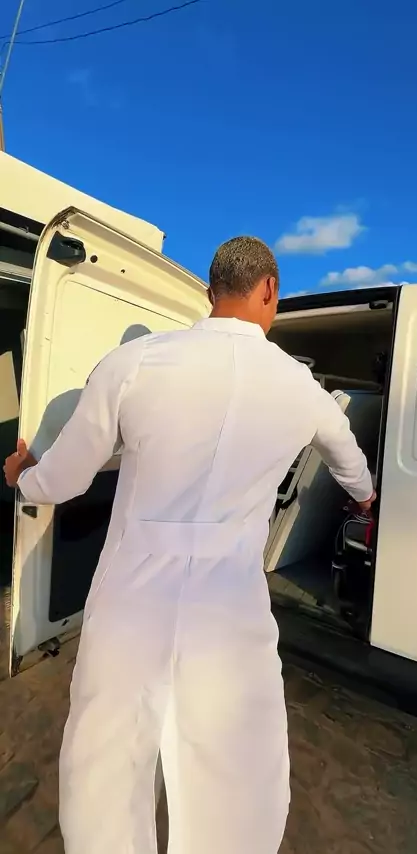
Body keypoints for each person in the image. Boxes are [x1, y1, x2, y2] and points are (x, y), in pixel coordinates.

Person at [4, 236, 375, 854]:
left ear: (210, 291)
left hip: (131, 599)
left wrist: (23, 476)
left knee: (109, 760)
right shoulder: (303, 390)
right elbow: (351, 466)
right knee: (233, 765)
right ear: (270, 290)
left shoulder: (132, 364)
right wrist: (364, 500)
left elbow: (64, 479)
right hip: (229, 604)